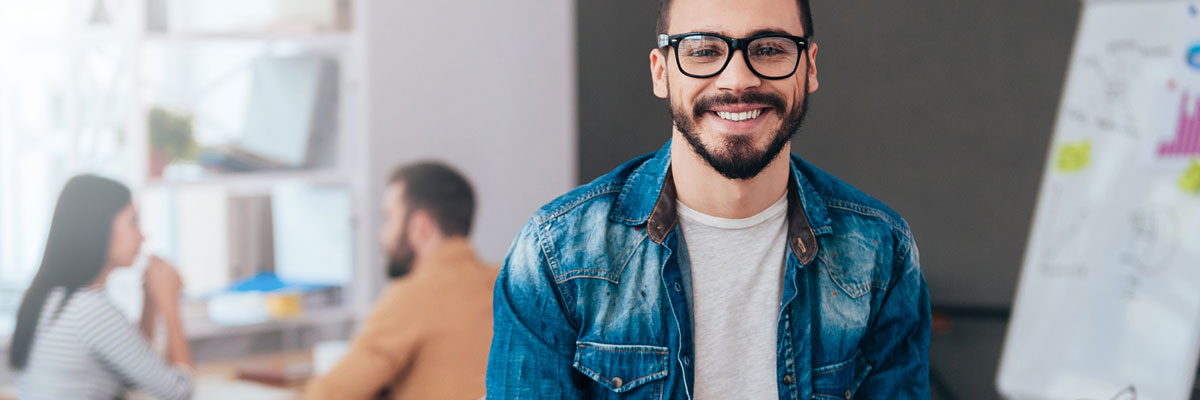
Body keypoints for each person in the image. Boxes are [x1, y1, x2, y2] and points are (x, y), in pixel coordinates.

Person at [486, 0, 931, 398]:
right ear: (661, 72)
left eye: (770, 48)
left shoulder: (880, 251)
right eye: (703, 50)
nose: (737, 79)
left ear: (809, 67)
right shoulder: (555, 254)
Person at [307, 161, 498, 400]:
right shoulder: (507, 286)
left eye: (388, 219)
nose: (382, 235)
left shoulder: (417, 294)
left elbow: (331, 395)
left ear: (421, 227)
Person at [9, 174, 193, 400]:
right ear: (102, 228)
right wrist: (170, 303)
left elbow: (133, 369)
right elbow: (179, 392)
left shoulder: (51, 298)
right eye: (133, 222)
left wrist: (151, 303)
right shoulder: (91, 311)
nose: (142, 236)